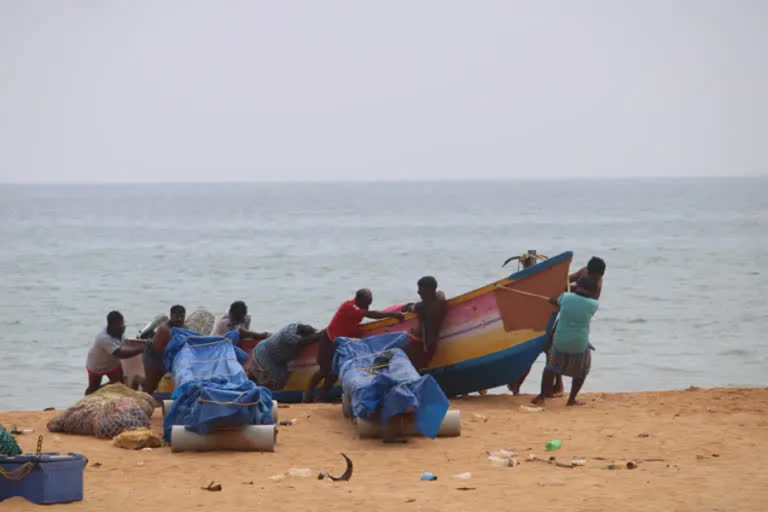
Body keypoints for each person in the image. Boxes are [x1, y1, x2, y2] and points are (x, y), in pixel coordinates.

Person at [508, 256, 607, 396]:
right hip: (564, 314)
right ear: (588, 270)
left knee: (549, 348)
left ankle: (551, 387)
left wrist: (559, 292)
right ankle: (548, 386)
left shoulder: (596, 287)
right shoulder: (584, 272)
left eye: (595, 276)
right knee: (547, 347)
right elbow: (566, 280)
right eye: (590, 274)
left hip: (573, 321)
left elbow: (579, 296)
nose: (592, 277)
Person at [304, 288, 405, 402]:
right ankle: (307, 393)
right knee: (324, 370)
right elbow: (372, 314)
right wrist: (393, 315)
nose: (367, 306)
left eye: (370, 303)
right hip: (328, 340)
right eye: (366, 303)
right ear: (358, 299)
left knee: (334, 374)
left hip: (341, 344)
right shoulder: (349, 307)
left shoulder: (359, 307)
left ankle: (319, 397)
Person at [531, 276, 600, 406]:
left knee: (550, 369)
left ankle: (541, 396)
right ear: (592, 291)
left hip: (560, 341)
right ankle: (571, 399)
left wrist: (553, 299)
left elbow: (556, 302)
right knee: (582, 371)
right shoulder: (594, 305)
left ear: (578, 287)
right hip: (579, 344)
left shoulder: (566, 297)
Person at [246, 323, 323, 390]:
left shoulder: (293, 327)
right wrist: (321, 334)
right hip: (265, 354)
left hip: (278, 360)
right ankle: (257, 391)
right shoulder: (289, 335)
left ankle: (252, 383)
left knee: (282, 380)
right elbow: (302, 342)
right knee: (275, 382)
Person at [85, 311, 146, 395]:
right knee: (93, 387)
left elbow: (122, 345)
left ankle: (103, 390)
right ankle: (84, 403)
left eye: (123, 323)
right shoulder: (103, 338)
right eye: (120, 325)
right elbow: (121, 354)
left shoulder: (119, 332)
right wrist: (141, 349)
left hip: (112, 363)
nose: (123, 326)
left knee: (119, 385)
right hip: (97, 364)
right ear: (111, 325)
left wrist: (140, 344)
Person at [402, 276, 447, 371]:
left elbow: (409, 308)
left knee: (394, 350)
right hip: (429, 345)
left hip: (423, 347)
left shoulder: (424, 307)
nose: (418, 292)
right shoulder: (439, 301)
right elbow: (440, 293)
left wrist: (407, 307)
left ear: (429, 290)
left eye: (420, 289)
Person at [142, 304, 186, 396]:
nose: (179, 319)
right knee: (151, 385)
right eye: (177, 316)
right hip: (153, 356)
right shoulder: (164, 329)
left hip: (167, 356)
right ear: (171, 316)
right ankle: (143, 401)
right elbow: (156, 350)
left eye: (182, 316)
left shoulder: (184, 328)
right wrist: (168, 364)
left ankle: (138, 379)